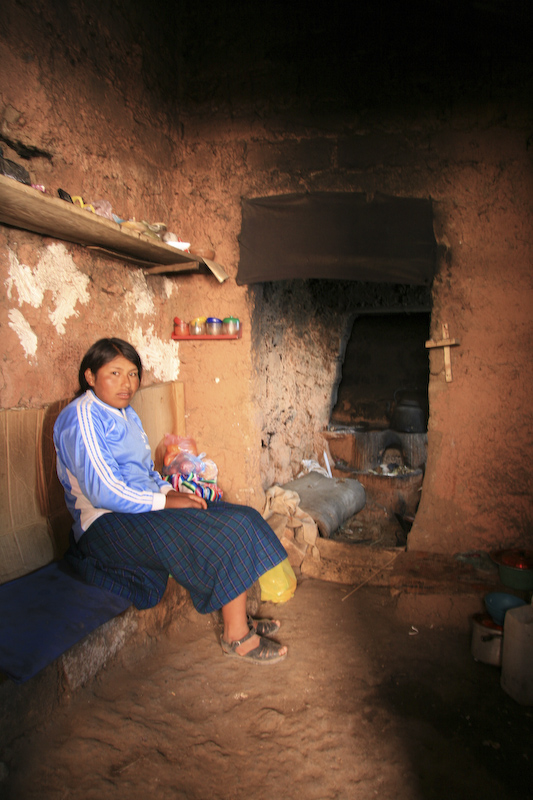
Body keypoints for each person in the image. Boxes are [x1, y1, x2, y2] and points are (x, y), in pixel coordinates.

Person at [53, 338, 288, 665]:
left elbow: (146, 473)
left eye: (133, 374)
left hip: (138, 511)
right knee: (224, 530)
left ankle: (239, 619)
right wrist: (163, 503)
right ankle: (236, 637)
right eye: (115, 373)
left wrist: (169, 493)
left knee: (242, 517)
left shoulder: (126, 414)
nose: (127, 383)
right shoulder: (82, 416)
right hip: (104, 525)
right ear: (90, 376)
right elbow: (104, 491)